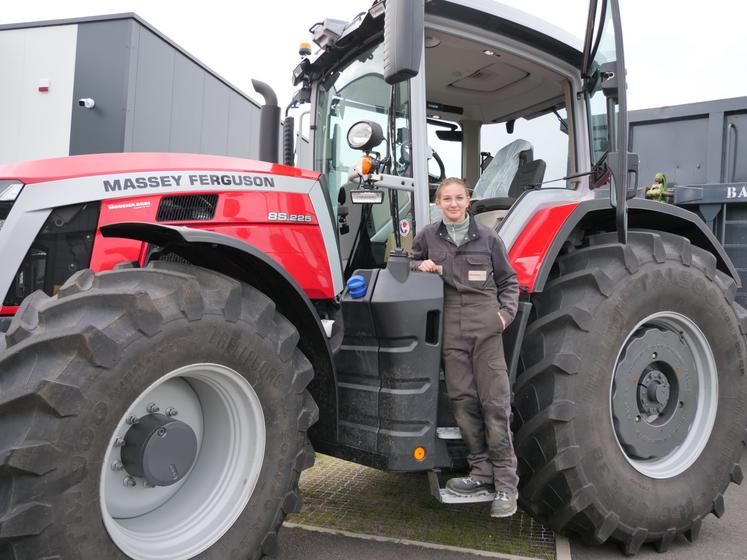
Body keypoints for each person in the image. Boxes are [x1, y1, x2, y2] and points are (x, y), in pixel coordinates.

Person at [410, 177, 520, 518]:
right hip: (451, 331)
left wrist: (503, 318)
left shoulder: (488, 238)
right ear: (438, 202)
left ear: (468, 201)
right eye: (447, 199)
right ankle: (480, 473)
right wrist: (420, 265)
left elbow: (509, 282)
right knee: (463, 404)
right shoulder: (428, 236)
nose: (453, 204)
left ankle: (506, 485)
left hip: (485, 328)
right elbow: (408, 263)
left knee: (495, 405)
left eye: (459, 198)